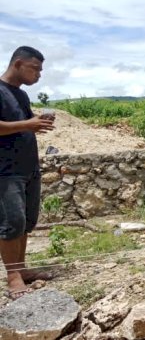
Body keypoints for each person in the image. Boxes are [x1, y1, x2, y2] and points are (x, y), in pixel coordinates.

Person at [0, 46, 56, 300]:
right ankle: (12, 277)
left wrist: (38, 122)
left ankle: (21, 269)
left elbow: (23, 123)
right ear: (19, 63)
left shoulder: (20, 95)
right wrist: (28, 124)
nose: (39, 75)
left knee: (25, 221)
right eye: (36, 69)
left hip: (28, 167)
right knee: (11, 223)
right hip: (6, 170)